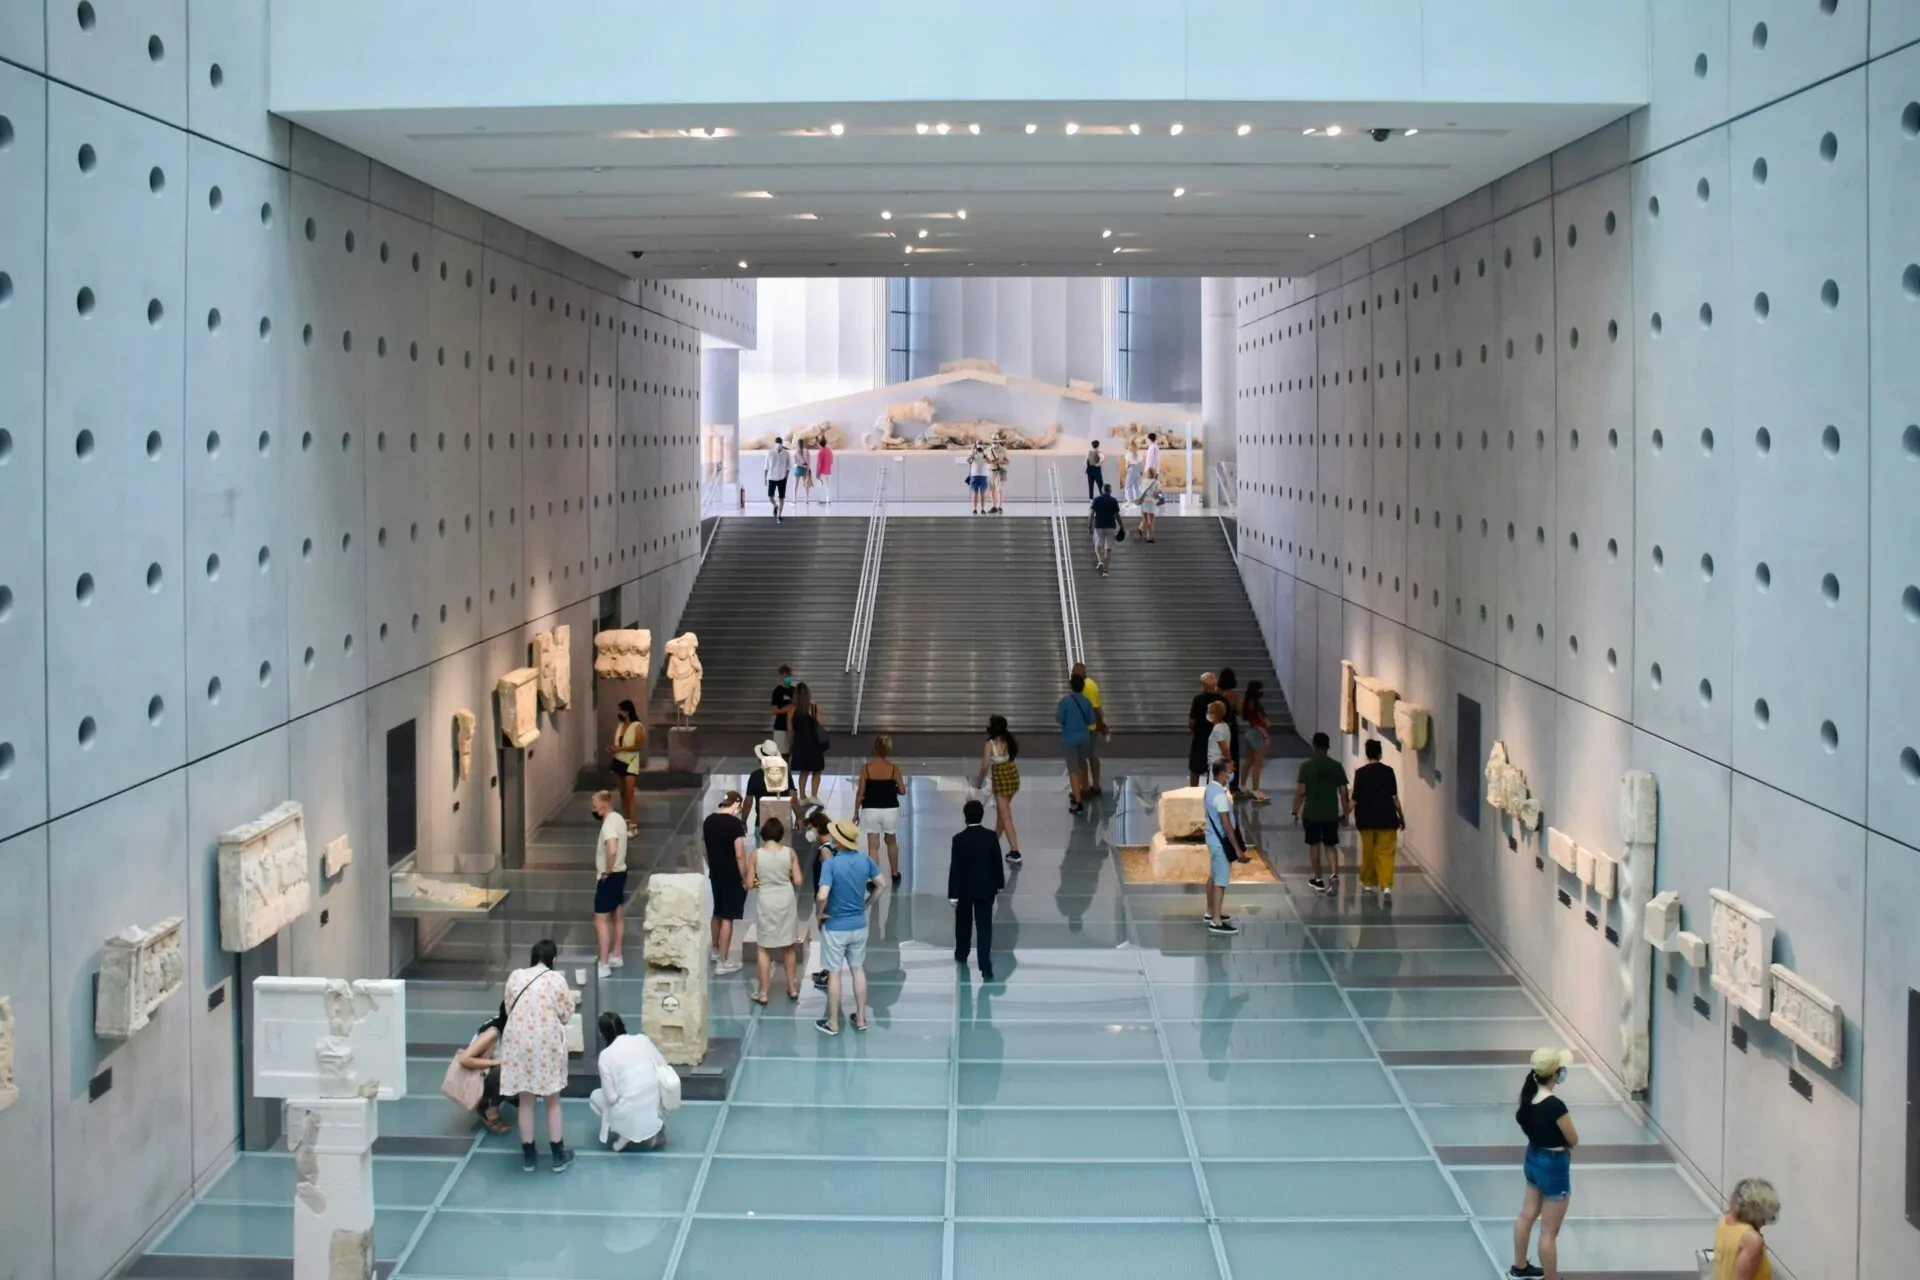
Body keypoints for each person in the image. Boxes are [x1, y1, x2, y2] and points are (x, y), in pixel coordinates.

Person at [501, 940, 574, 1173]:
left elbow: (508, 1008)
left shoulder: (515, 976)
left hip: (518, 1044)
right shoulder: (556, 979)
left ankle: (529, 1157)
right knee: (552, 1100)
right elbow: (565, 1013)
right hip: (546, 1043)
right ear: (554, 960)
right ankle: (557, 1154)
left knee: (526, 1101)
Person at [1511, 1048, 1580, 1280]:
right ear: (1553, 1075)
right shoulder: (1555, 1106)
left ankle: (1519, 1267)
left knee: (1527, 1214)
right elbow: (1573, 1139)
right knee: (1549, 1232)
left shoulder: (1528, 1096)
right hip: (1553, 1167)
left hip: (1533, 1159)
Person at [815, 818, 880, 1035]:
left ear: (839, 840)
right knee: (858, 970)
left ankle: (833, 1023)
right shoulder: (865, 860)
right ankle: (861, 1018)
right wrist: (866, 904)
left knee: (835, 974)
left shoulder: (831, 864)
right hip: (859, 925)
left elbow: (822, 894)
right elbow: (882, 884)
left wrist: (819, 912)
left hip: (835, 926)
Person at [590, 1012, 673, 1152]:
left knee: (595, 1097)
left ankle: (625, 1132)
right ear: (623, 1025)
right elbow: (663, 1066)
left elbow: (611, 1098)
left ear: (602, 1033)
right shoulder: (643, 1040)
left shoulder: (605, 1056)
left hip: (627, 1108)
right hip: (653, 1101)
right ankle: (654, 1124)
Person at [746, 817, 803, 1002]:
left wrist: (759, 883)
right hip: (786, 899)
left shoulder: (756, 855)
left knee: (764, 948)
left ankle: (763, 992)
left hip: (766, 900)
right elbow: (798, 881)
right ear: (780, 834)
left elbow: (749, 883)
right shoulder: (790, 853)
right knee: (789, 946)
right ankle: (792, 987)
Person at [948, 799, 1006, 979]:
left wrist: (953, 895)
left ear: (965, 817)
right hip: (986, 888)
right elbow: (997, 863)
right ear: (982, 815)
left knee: (963, 924)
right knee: (984, 927)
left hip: (964, 890)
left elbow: (955, 868)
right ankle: (985, 966)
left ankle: (962, 953)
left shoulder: (959, 839)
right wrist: (999, 884)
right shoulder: (991, 837)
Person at [1292, 731, 1350, 894]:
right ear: (1328, 747)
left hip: (1312, 813)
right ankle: (1334, 875)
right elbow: (1344, 793)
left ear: (1314, 746)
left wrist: (1294, 811)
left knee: (1314, 845)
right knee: (1330, 845)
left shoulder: (1307, 766)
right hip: (1331, 812)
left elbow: (1301, 791)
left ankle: (1318, 879)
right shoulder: (1336, 766)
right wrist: (1346, 814)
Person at [701, 790, 748, 975]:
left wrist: (711, 864)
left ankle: (714, 949)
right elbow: (740, 854)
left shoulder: (709, 821)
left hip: (716, 873)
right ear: (736, 804)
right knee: (728, 916)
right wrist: (744, 877)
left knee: (717, 912)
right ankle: (723, 961)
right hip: (731, 875)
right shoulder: (736, 825)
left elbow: (704, 846)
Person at [1353, 739, 1405, 900]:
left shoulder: (1360, 773)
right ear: (1380, 754)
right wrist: (1401, 816)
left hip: (1366, 820)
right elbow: (1394, 798)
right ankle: (1386, 886)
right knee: (1386, 853)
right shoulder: (1388, 772)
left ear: (1367, 754)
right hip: (1387, 818)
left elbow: (1355, 799)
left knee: (1369, 853)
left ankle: (1368, 882)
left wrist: (1344, 814)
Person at [1201, 756, 1247, 934]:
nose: (1232, 774)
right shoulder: (1220, 796)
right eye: (1229, 771)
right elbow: (1226, 825)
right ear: (1222, 774)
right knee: (1220, 881)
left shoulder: (1210, 789)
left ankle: (1210, 911)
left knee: (1213, 876)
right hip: (1220, 842)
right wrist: (1237, 849)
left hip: (1212, 839)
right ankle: (1217, 921)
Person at [452, 1002, 512, 1134]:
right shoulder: (493, 1032)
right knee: (506, 1069)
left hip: (488, 1073)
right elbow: (464, 1059)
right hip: (478, 1076)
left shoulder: (509, 1028)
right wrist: (497, 1062)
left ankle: (501, 1097)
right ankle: (487, 1108)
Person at [856, 736, 906, 886]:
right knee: (891, 841)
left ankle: (874, 879)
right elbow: (903, 790)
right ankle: (895, 873)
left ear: (874, 749)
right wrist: (893, 788)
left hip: (870, 809)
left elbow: (860, 793)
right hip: (890, 808)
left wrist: (855, 812)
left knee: (873, 845)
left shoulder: (866, 768)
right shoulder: (894, 768)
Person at [590, 790, 629, 979]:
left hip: (610, 877)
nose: (593, 809)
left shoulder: (608, 825)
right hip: (621, 873)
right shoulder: (620, 819)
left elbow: (612, 849)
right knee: (617, 914)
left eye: (595, 806)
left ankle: (603, 963)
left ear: (603, 806)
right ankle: (617, 954)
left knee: (600, 919)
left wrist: (606, 870)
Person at [1712, 1178, 1780, 1280]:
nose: (1764, 1222)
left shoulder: (1725, 1221)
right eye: (1764, 1216)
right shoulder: (1751, 1240)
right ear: (1755, 1211)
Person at [979, 715, 1023, 866]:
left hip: (1001, 781)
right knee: (1001, 813)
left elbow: (985, 766)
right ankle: (993, 843)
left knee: (1005, 816)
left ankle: (1015, 851)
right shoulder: (1009, 740)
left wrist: (979, 781)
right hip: (1013, 778)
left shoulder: (990, 744)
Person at [1057, 673, 1098, 814]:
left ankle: (1078, 800)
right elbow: (1092, 721)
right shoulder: (1086, 702)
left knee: (1073, 770)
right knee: (1082, 763)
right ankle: (1084, 788)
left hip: (1069, 739)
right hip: (1084, 737)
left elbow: (1060, 718)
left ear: (1071, 686)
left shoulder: (1065, 702)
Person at [745, 738, 799, 832]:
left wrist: (743, 821)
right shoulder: (786, 773)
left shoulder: (755, 776)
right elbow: (793, 799)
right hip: (784, 821)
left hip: (762, 822)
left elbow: (748, 802)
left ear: (760, 758)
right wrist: (799, 818)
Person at [1071, 661, 1109, 795]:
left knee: (1082, 759)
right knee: (1092, 757)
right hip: (1090, 727)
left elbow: (1095, 708)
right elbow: (1097, 708)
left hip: (1086, 728)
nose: (1072, 675)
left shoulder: (1086, 686)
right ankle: (1095, 785)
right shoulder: (1088, 684)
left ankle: (1086, 787)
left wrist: (1101, 725)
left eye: (1074, 672)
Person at [609, 700, 645, 837]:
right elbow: (618, 743)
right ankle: (626, 821)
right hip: (618, 761)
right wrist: (613, 748)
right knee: (623, 794)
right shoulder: (620, 725)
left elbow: (638, 745)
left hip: (630, 762)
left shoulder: (637, 726)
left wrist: (621, 748)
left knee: (630, 794)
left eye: (620, 710)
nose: (618, 713)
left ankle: (634, 826)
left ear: (626, 711)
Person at [787, 682, 828, 801]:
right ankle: (814, 795)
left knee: (803, 772)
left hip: (800, 744)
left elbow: (790, 731)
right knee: (816, 771)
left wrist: (791, 745)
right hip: (815, 745)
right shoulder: (815, 708)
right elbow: (822, 724)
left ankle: (803, 796)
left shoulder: (791, 710)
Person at [1187, 671, 1221, 785]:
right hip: (1217, 739)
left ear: (1204, 685)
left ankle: (1193, 792)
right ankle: (1216, 792)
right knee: (1216, 769)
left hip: (1201, 737)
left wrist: (1195, 730)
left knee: (1195, 768)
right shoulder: (1222, 700)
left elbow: (1192, 722)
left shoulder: (1198, 700)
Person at [1241, 681, 1272, 804]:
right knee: (1257, 764)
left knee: (1248, 760)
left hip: (1250, 732)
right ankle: (1256, 790)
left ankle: (1243, 785)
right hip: (1258, 733)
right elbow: (1258, 721)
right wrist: (1265, 734)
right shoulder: (1254, 705)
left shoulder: (1247, 703)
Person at [1089, 482, 1122, 576]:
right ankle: (1106, 571)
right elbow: (1117, 515)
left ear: (1102, 490)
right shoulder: (1113, 501)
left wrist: (1089, 525)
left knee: (1097, 546)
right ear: (1110, 491)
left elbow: (1091, 514)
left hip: (1099, 526)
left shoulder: (1097, 500)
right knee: (1108, 549)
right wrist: (1121, 526)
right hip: (1110, 527)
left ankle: (1100, 561)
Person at [769, 665, 795, 753]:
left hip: (794, 726)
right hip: (780, 726)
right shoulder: (777, 691)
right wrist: (784, 710)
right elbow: (774, 710)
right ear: (780, 677)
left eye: (789, 676)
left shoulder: (795, 691)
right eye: (785, 676)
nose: (787, 678)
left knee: (792, 753)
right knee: (781, 753)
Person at [766, 436, 791, 521]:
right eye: (778, 443)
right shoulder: (770, 453)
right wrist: (765, 479)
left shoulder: (786, 453)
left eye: (780, 443)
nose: (779, 445)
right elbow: (766, 467)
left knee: (782, 498)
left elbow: (788, 467)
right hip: (772, 477)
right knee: (770, 497)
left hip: (782, 478)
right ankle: (775, 505)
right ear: (775, 444)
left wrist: (786, 478)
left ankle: (779, 515)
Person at [1204, 699, 1230, 771]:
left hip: (1217, 765)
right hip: (1220, 764)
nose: (1208, 715)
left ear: (1216, 714)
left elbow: (1225, 749)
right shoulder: (1225, 726)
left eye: (1210, 713)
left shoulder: (1217, 729)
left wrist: (1229, 762)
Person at [1137, 468, 1161, 542]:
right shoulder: (1156, 482)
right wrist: (1159, 499)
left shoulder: (1144, 481)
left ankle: (1140, 528)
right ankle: (1150, 538)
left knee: (1145, 519)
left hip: (1144, 503)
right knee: (1151, 521)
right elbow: (1158, 493)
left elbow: (1140, 490)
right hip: (1151, 503)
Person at [967, 442, 991, 514]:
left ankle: (983, 509)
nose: (979, 446)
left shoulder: (986, 452)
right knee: (975, 494)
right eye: (978, 444)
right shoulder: (972, 451)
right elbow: (968, 460)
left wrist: (985, 455)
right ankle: (974, 508)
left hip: (984, 475)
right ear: (976, 445)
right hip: (974, 475)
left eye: (981, 444)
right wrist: (973, 454)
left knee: (983, 493)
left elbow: (990, 461)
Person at [986, 439, 1009, 513]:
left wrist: (999, 461)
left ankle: (1000, 507)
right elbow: (985, 461)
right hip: (990, 471)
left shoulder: (1003, 449)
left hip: (998, 471)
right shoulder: (987, 450)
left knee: (999, 489)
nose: (994, 442)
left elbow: (1007, 461)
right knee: (991, 489)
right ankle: (993, 506)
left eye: (996, 440)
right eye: (993, 440)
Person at [1122, 437, 1142, 504]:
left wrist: (1127, 468)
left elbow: (1127, 464)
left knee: (1128, 485)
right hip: (1138, 469)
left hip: (1131, 469)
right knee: (1137, 486)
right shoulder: (1139, 454)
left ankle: (1129, 500)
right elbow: (1141, 464)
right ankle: (1137, 499)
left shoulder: (1128, 454)